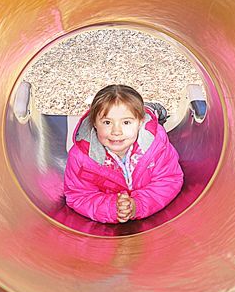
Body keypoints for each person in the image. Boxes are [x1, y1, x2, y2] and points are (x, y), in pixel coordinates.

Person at [63, 84, 184, 223]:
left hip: (143, 201)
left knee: (152, 121)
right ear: (94, 123)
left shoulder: (156, 146)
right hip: (111, 213)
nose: (116, 131)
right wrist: (112, 208)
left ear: (139, 122)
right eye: (107, 122)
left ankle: (152, 111)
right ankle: (146, 111)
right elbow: (78, 195)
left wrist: (137, 205)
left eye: (126, 122)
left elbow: (169, 180)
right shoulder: (82, 157)